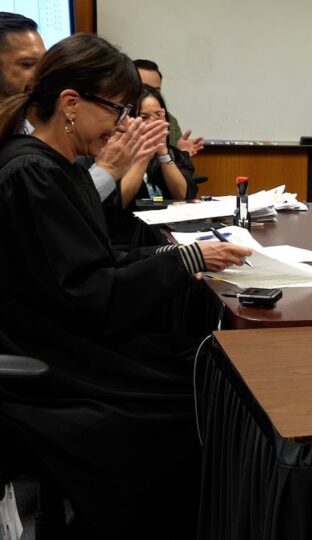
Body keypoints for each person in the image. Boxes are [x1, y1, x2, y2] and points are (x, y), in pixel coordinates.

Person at [0, 33, 250, 538]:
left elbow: (91, 260)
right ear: (71, 103)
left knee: (200, 362)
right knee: (194, 395)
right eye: (117, 110)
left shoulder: (52, 166)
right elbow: (88, 293)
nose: (121, 125)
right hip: (51, 358)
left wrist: (175, 255)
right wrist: (184, 260)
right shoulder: (32, 173)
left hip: (64, 337)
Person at [1, 12, 165, 205]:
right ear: (70, 103)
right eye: (27, 64)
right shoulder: (29, 165)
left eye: (44, 62)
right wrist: (108, 169)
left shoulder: (52, 145)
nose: (39, 74)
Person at [119, 85, 197, 206]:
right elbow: (118, 202)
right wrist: (145, 153)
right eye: (144, 117)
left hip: (168, 222)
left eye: (158, 115)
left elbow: (182, 196)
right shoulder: (116, 155)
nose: (153, 122)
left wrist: (163, 152)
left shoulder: (177, 156)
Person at [134, 58, 204, 156]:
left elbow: (170, 158)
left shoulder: (169, 121)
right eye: (144, 89)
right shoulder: (119, 119)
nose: (150, 95)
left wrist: (177, 152)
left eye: (156, 91)